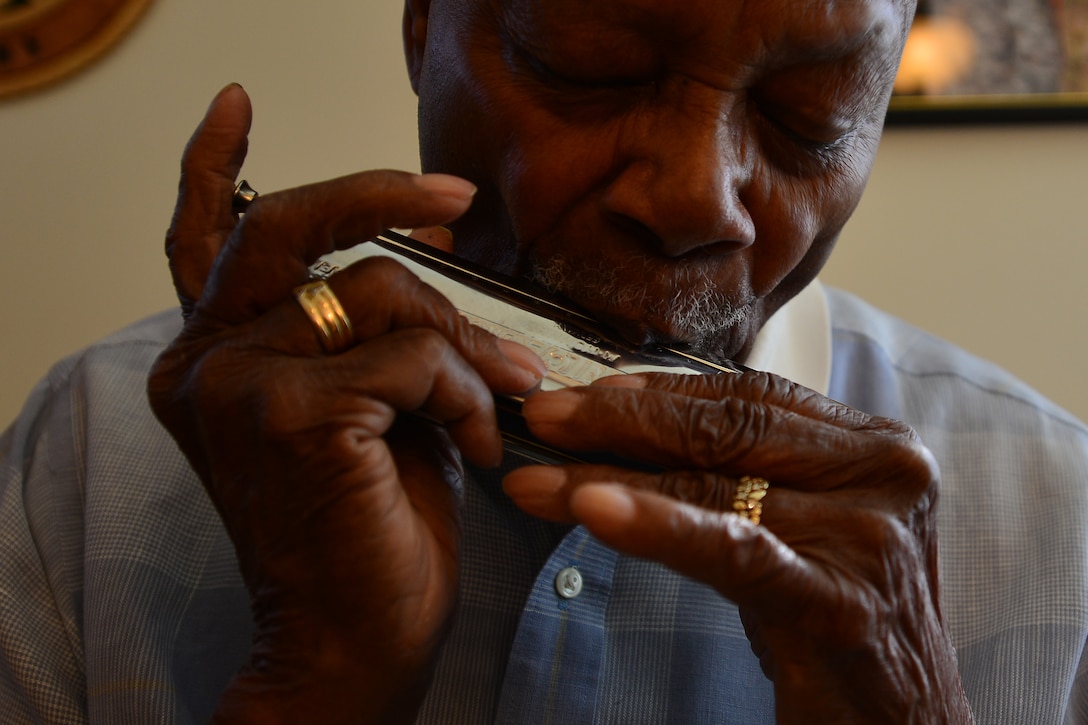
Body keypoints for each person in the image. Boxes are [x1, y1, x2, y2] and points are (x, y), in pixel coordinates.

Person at [2, 0, 1087, 722]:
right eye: (589, 68)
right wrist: (315, 680)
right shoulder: (96, 456)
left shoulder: (1057, 521)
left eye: (806, 117)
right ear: (425, 24)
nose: (691, 196)